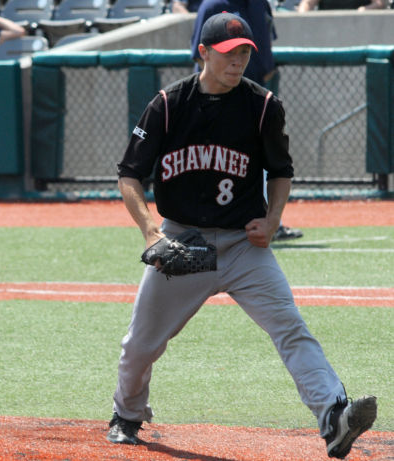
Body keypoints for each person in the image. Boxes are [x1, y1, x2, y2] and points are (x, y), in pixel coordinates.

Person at [106, 12, 377, 460]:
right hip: (184, 244)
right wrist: (151, 230)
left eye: (246, 52)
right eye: (230, 53)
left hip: (242, 246)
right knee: (140, 345)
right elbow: (129, 174)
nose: (239, 61)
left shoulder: (263, 105)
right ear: (204, 53)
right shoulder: (169, 104)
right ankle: (127, 414)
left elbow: (282, 172)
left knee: (290, 329)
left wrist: (272, 220)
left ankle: (334, 416)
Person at [190, 0, 302, 242]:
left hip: (254, 93)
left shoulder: (260, 4)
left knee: (261, 160)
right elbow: (199, 55)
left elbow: (265, 42)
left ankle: (270, 221)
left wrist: (263, 73)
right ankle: (201, 224)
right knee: (217, 161)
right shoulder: (212, 5)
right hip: (218, 99)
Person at [297, 0, 387, 11]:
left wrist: (364, 10)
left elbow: (380, 3)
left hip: (361, 29)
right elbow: (307, 3)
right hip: (327, 31)